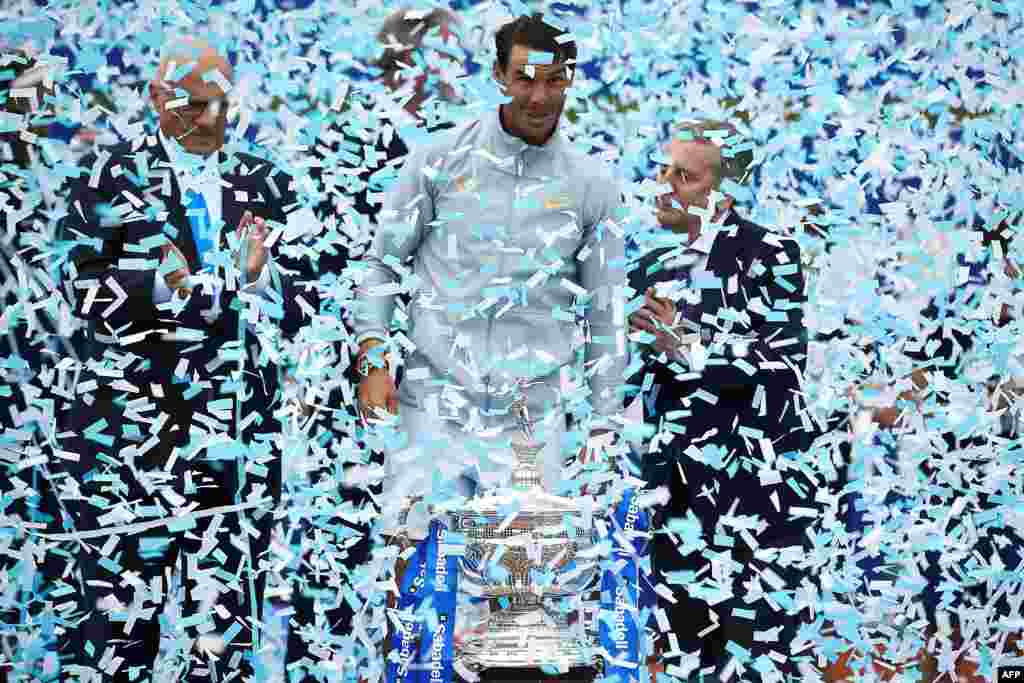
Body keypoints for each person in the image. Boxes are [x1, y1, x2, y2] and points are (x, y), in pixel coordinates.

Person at [352, 10, 626, 676]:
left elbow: (607, 314)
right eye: (524, 79)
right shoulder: (437, 161)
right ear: (500, 76)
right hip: (435, 399)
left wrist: (606, 420)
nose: (538, 96)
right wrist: (372, 354)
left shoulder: (592, 183)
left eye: (553, 80)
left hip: (531, 414)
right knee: (416, 570)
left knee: (521, 601)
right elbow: (381, 263)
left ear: (570, 80)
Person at [52, 37, 318, 681]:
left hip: (233, 443)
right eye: (192, 106)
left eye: (221, 106)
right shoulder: (104, 179)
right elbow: (75, 286)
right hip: (127, 443)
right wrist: (167, 286)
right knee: (115, 637)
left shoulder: (268, 183)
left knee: (225, 636)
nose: (209, 121)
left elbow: (312, 297)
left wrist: (255, 281)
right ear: (156, 99)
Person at [281, 9, 466, 683]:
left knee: (435, 575)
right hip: (362, 404)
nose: (450, 79)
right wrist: (370, 353)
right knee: (351, 574)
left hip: (452, 397)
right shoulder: (347, 147)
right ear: (401, 67)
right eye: (437, 63)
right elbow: (328, 268)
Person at [627, 120, 818, 681]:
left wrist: (687, 346)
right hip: (674, 501)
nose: (662, 185)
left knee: (756, 663)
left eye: (681, 176)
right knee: (689, 660)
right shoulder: (650, 267)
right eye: (663, 170)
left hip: (754, 506)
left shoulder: (771, 253)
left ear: (722, 194)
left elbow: (784, 369)